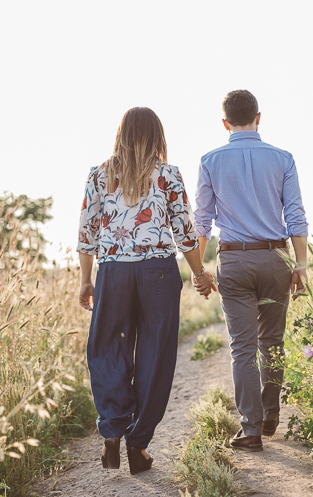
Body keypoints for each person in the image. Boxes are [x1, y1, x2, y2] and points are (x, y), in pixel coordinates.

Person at [77, 107, 216, 474]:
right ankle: (137, 447)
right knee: (156, 354)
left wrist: (85, 280)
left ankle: (112, 434)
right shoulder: (168, 175)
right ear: (157, 135)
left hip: (113, 271)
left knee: (106, 347)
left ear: (120, 133)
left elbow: (87, 233)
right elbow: (184, 232)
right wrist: (200, 273)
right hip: (157, 272)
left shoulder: (99, 175)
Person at [194, 90, 308, 452]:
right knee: (272, 341)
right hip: (276, 258)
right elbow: (296, 217)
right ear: (259, 117)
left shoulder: (210, 161)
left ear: (225, 123)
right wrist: (301, 265)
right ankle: (271, 412)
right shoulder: (283, 158)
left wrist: (199, 271)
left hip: (234, 261)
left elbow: (202, 222)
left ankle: (252, 428)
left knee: (242, 348)